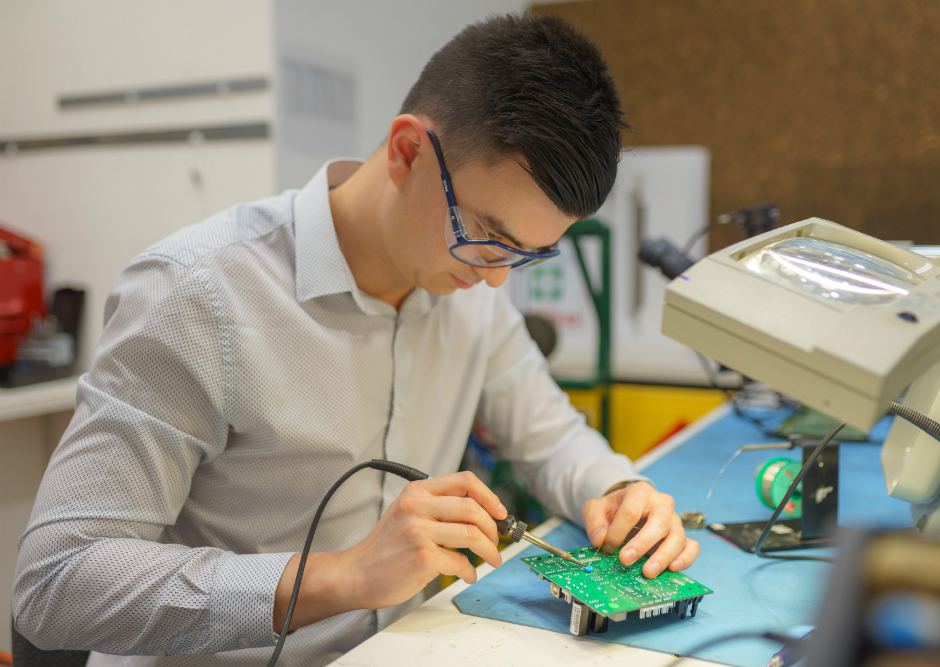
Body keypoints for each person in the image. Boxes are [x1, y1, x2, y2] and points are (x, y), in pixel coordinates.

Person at [13, 12, 700, 667]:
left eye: (526, 254)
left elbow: (551, 438)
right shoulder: (197, 294)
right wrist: (343, 575)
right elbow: (56, 582)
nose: (496, 278)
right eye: (489, 236)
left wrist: (618, 490)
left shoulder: (470, 291)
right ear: (407, 151)